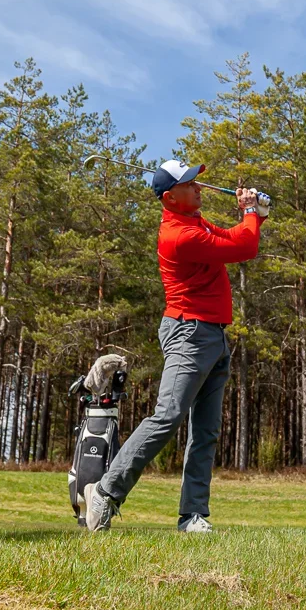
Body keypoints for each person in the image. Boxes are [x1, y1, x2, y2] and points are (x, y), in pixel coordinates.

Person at [85, 160, 268, 533]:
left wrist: (255, 217)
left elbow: (236, 239)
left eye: (197, 180)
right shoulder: (178, 235)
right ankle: (105, 491)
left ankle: (192, 516)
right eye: (189, 184)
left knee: (206, 431)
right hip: (189, 334)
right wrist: (250, 212)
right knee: (167, 417)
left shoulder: (194, 223)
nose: (198, 187)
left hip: (213, 335)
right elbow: (245, 248)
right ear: (170, 198)